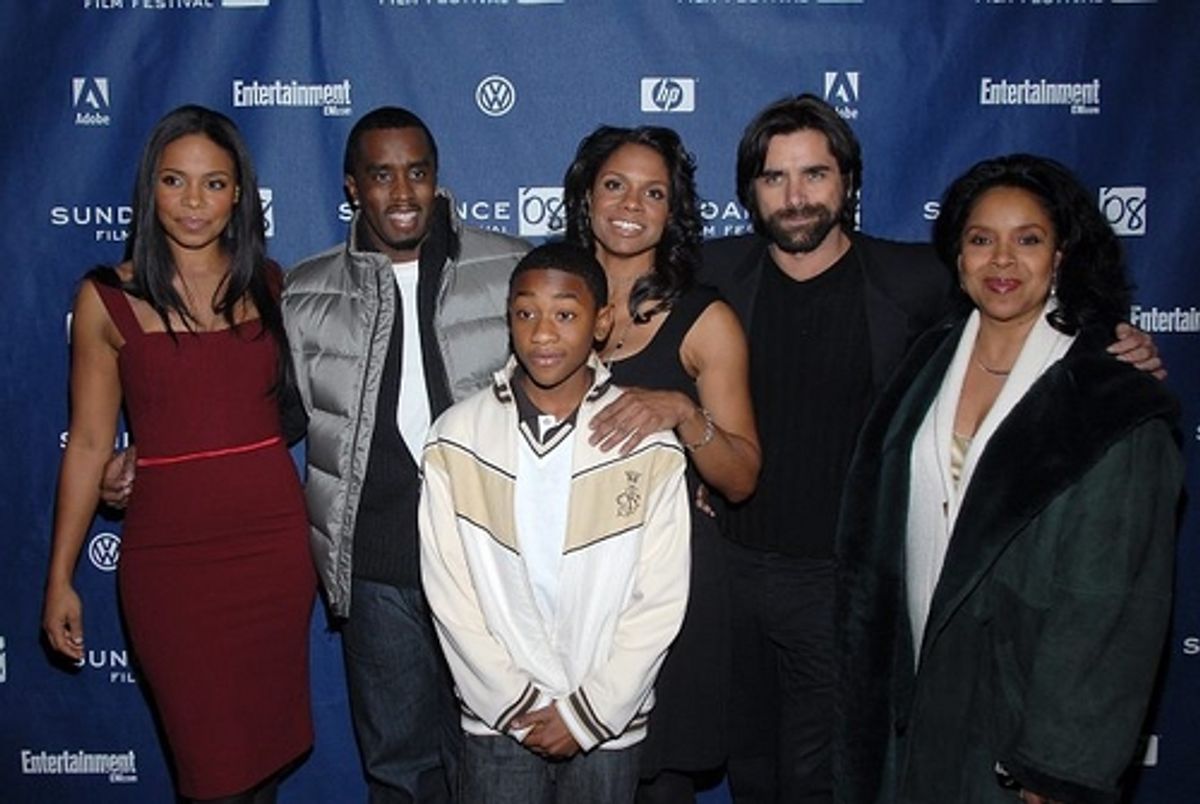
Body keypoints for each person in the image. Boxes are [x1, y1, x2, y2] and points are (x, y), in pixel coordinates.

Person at [698, 94, 1164, 804]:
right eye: (775, 178)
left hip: (842, 587)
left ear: (849, 182)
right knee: (751, 772)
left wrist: (1111, 338)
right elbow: (614, 328)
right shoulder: (712, 275)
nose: (796, 197)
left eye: (816, 174)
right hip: (730, 576)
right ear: (749, 193)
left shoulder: (916, 279)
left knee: (823, 783)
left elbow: (1024, 307)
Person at [835, 153, 1183, 804]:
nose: (1002, 261)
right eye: (981, 240)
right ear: (958, 256)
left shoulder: (1111, 404)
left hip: (1019, 730)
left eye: (1028, 240)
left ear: (1061, 256)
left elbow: (1111, 612)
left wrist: (1058, 769)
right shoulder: (926, 360)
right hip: (910, 716)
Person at [42, 105, 314, 803]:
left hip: (273, 551)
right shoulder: (109, 296)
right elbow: (92, 443)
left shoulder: (270, 285)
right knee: (211, 769)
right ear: (149, 188)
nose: (194, 203)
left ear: (239, 195)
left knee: (264, 760)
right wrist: (61, 576)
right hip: (172, 563)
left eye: (214, 184)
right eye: (174, 180)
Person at [282, 106, 529, 802]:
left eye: (416, 172)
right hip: (379, 563)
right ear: (352, 186)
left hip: (490, 560)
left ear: (437, 178)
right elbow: (274, 414)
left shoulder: (510, 267)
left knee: (497, 760)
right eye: (381, 175)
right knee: (398, 766)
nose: (401, 192)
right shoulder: (305, 292)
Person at [418, 241, 691, 804]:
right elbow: (449, 592)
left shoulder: (648, 446)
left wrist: (591, 711)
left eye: (565, 314)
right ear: (508, 320)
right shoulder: (456, 438)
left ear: (602, 322)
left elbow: (660, 599)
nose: (543, 333)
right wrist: (513, 702)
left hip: (606, 722)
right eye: (526, 314)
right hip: (497, 718)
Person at [562, 125, 762, 803]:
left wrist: (684, 413)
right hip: (568, 589)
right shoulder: (546, 302)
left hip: (669, 590)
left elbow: (740, 477)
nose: (630, 204)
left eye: (654, 192)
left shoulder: (704, 322)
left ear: (672, 211)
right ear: (585, 196)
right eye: (615, 184)